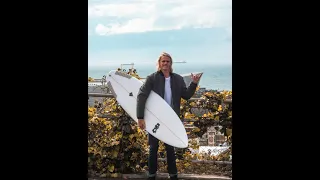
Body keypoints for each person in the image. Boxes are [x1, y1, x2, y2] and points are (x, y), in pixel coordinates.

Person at [136, 52, 202, 180]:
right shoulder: (152, 78)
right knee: (153, 148)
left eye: (168, 61)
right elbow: (141, 96)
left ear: (171, 64)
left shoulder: (178, 79)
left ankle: (173, 175)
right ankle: (151, 175)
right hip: (155, 117)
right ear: (159, 64)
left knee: (170, 148)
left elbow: (186, 95)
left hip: (171, 118)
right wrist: (140, 117)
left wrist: (194, 83)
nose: (165, 63)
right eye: (163, 61)